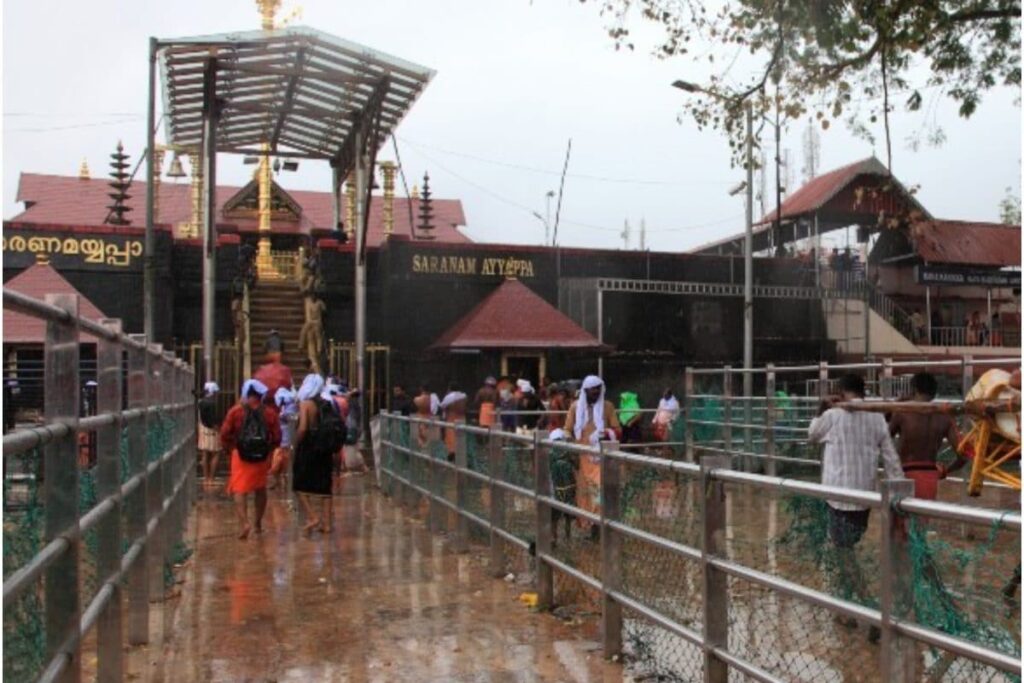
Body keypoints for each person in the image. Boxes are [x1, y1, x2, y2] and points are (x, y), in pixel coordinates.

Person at [808, 374, 903, 640]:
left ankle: (870, 611)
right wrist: (900, 493)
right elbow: (890, 457)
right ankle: (846, 611)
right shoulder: (875, 417)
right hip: (864, 498)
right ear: (863, 391)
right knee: (844, 552)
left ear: (840, 391)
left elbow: (811, 435)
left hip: (838, 496)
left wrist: (822, 407)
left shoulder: (833, 416)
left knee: (844, 555)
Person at [888, 373, 967, 501]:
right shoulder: (944, 417)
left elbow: (883, 439)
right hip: (930, 475)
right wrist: (945, 470)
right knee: (922, 519)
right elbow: (963, 456)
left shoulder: (902, 411)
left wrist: (894, 405)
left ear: (913, 389)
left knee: (899, 517)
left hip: (903, 473)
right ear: (934, 392)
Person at [220, 379, 281, 540]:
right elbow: (277, 436)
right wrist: (269, 450)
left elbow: (225, 433)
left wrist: (230, 449)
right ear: (261, 395)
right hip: (261, 456)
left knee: (239, 490)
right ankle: (258, 524)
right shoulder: (269, 413)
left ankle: (244, 523)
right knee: (260, 489)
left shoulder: (235, 411)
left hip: (240, 454)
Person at [563, 375, 621, 539]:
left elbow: (617, 429)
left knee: (599, 490)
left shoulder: (607, 407)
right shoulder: (575, 407)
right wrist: (568, 439)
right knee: (584, 493)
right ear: (586, 391)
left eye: (598, 391)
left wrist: (606, 433)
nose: (595, 394)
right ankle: (589, 525)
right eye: (592, 392)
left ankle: (599, 527)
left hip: (600, 456)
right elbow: (567, 429)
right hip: (581, 456)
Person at [292, 374, 335, 535]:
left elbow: (303, 428)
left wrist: (295, 443)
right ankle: (327, 524)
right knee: (325, 487)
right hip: (325, 448)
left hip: (309, 448)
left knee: (299, 485)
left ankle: (313, 517)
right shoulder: (327, 403)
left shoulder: (306, 404)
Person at [270, 387, 297, 490]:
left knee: (283, 463)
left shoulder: (290, 408)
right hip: (282, 440)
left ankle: (284, 482)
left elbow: (290, 419)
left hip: (287, 440)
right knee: (278, 464)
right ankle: (278, 481)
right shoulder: (284, 408)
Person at [197, 381, 224, 487]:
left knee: (205, 454)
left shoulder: (201, 402)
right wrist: (219, 430)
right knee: (216, 453)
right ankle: (211, 479)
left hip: (202, 428)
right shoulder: (212, 403)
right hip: (212, 430)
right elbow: (213, 420)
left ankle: (205, 478)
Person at [440, 389, 468, 460]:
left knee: (451, 434)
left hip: (452, 417)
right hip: (462, 417)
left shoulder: (450, 397)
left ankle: (452, 451)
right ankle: (461, 452)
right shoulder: (464, 396)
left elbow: (442, 405)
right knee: (460, 435)